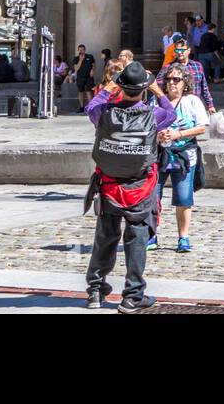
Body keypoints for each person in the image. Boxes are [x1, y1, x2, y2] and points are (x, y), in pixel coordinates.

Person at [83, 60, 177, 311]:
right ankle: (133, 295)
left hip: (109, 186)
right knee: (137, 240)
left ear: (120, 87)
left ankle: (95, 289)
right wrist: (158, 90)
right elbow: (171, 114)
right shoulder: (152, 115)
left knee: (105, 237)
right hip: (140, 188)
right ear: (144, 89)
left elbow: (90, 105)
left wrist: (109, 87)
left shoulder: (103, 113)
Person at [151, 64, 208, 254]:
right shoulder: (156, 101)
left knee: (183, 198)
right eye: (168, 80)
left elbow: (201, 127)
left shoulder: (191, 101)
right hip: (160, 155)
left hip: (184, 155)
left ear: (185, 83)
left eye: (176, 79)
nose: (172, 83)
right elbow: (147, 125)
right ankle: (151, 235)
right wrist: (158, 136)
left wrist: (178, 134)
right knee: (152, 197)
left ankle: (183, 237)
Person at [163, 35, 215, 112]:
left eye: (182, 50)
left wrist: (210, 105)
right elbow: (160, 86)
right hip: (176, 107)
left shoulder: (197, 66)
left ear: (189, 50)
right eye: (177, 50)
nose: (180, 52)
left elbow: (204, 87)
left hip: (195, 106)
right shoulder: (168, 67)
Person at [73, 45, 96, 112]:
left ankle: (91, 107)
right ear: (78, 50)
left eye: (82, 50)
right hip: (80, 77)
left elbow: (93, 65)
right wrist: (80, 60)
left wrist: (92, 70)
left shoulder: (90, 56)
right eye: (80, 50)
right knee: (81, 92)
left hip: (88, 77)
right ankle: (81, 107)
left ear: (85, 50)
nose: (81, 51)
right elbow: (76, 69)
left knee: (89, 91)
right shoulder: (76, 58)